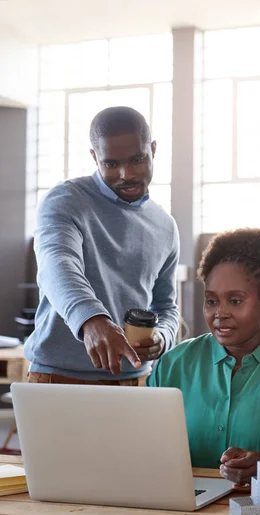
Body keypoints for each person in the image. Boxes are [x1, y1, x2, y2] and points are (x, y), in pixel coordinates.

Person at [146, 228, 260, 485]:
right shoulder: (174, 363)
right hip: (183, 500)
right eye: (211, 301)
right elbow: (145, 440)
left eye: (235, 301)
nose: (220, 313)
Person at [25, 106, 179, 385]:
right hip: (58, 379)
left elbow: (166, 307)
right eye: (111, 164)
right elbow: (57, 264)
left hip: (134, 380)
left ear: (153, 149)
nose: (126, 174)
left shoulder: (165, 226)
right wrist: (92, 320)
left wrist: (162, 338)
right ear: (95, 157)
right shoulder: (66, 200)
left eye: (137, 159)